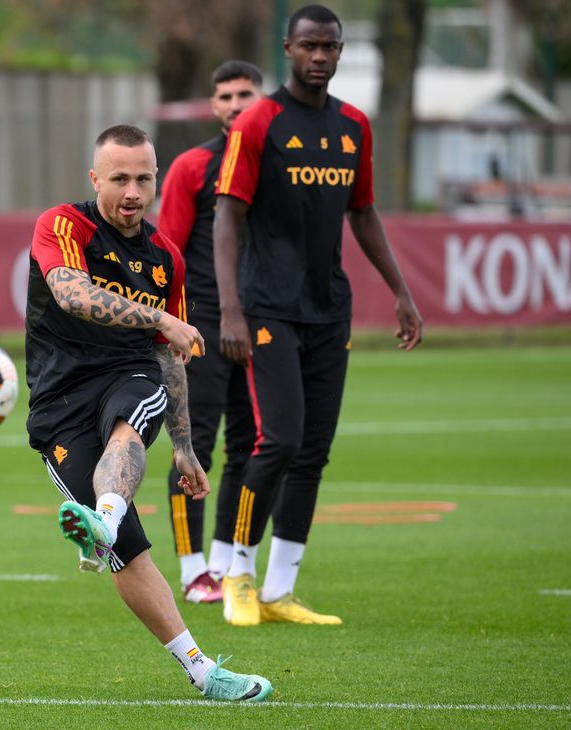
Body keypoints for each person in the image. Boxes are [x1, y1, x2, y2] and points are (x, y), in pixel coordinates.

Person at [25, 124, 272, 701]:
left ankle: (103, 520)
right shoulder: (63, 225)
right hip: (57, 402)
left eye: (143, 178)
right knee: (127, 552)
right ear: (95, 179)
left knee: (131, 417)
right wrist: (159, 317)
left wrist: (184, 446)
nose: (133, 192)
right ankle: (200, 669)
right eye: (119, 179)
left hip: (127, 376)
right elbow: (70, 292)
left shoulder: (166, 258)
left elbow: (169, 358)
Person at [213, 4, 423, 627]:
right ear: (288, 48)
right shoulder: (259, 122)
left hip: (330, 310)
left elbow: (363, 213)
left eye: (330, 47)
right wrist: (230, 309)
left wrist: (401, 291)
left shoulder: (355, 125)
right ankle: (238, 576)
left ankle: (280, 592)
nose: (321, 56)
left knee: (313, 451)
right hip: (267, 307)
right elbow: (228, 215)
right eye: (309, 46)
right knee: (277, 440)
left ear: (340, 50)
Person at [157, 60, 264, 606]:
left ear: (262, 97)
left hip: (263, 326)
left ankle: (225, 563)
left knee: (252, 445)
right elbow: (167, 251)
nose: (236, 103)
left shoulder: (276, 163)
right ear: (214, 103)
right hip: (200, 327)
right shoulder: (192, 166)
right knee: (192, 444)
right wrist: (172, 328)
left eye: (246, 92)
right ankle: (191, 567)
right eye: (226, 95)